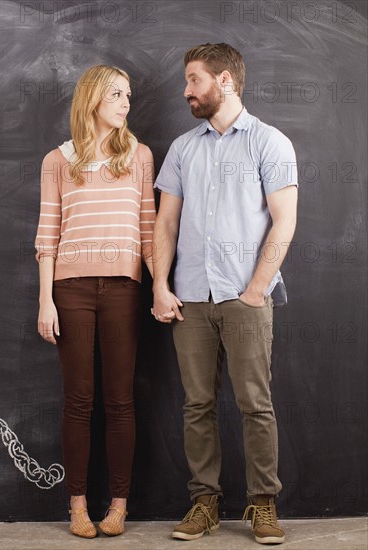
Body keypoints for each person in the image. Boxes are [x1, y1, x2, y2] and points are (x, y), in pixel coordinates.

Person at [152, 43, 298, 545]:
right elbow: (165, 223)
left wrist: (257, 289)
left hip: (245, 296)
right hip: (189, 299)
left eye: (194, 79)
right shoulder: (181, 148)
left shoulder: (269, 142)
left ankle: (262, 504)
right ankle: (205, 503)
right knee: (197, 405)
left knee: (255, 403)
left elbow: (285, 221)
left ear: (225, 82)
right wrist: (160, 285)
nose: (186, 89)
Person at [34, 64, 155, 538]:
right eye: (116, 95)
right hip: (71, 290)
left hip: (124, 289)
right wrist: (46, 300)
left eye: (128, 94)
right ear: (91, 101)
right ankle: (78, 505)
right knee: (78, 401)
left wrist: (158, 283)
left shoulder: (139, 157)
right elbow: (47, 234)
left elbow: (148, 230)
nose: (125, 103)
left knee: (120, 400)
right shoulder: (57, 161)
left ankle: (119, 505)